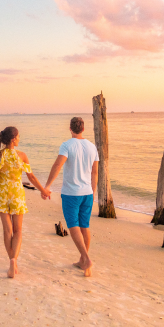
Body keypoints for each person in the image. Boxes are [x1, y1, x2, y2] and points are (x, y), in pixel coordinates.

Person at [0, 126, 50, 278]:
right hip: (17, 194)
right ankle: (14, 261)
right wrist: (43, 190)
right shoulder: (22, 155)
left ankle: (11, 261)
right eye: (18, 137)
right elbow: (31, 177)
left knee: (7, 231)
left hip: (2, 194)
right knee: (18, 231)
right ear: (13, 139)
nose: (19, 139)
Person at [43, 117, 99, 277]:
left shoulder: (67, 145)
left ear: (70, 129)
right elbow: (95, 172)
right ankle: (83, 260)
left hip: (71, 193)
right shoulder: (92, 147)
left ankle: (86, 259)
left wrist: (47, 186)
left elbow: (58, 165)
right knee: (84, 225)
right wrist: (93, 192)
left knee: (73, 224)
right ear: (83, 129)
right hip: (87, 193)